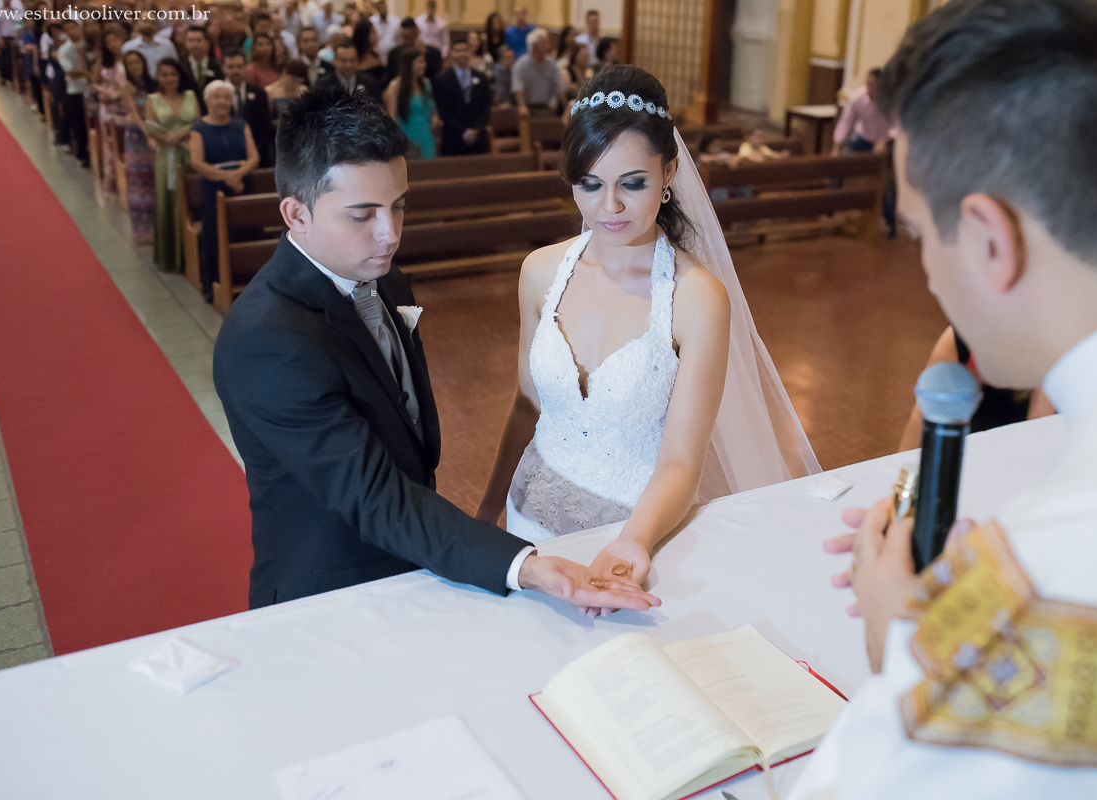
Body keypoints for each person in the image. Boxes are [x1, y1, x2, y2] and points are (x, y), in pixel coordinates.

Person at [794, 2, 1097, 799]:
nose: (927, 270)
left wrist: (906, 648)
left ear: (991, 240)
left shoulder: (1052, 578)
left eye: (920, 233)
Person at [211, 88, 661, 615]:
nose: (390, 233)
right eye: (363, 215)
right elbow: (375, 495)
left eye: (398, 205)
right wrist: (526, 565)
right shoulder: (266, 341)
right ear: (296, 214)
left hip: (420, 560)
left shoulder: (387, 283)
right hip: (331, 591)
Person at [478, 66, 819, 614]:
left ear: (668, 173)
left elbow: (683, 459)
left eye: (631, 183)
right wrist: (485, 518)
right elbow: (526, 405)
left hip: (635, 533)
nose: (608, 208)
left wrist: (632, 543)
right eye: (590, 184)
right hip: (528, 528)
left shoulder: (696, 297)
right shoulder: (540, 271)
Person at [897, 326, 1055, 452]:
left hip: (1011, 455)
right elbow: (922, 415)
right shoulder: (957, 337)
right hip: (958, 451)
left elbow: (1034, 433)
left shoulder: (1046, 353)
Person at [189, 80, 260, 303]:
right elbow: (197, 163)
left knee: (247, 233)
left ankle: (250, 282)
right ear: (207, 101)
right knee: (214, 235)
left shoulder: (241, 125)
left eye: (226, 98)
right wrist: (227, 177)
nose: (222, 102)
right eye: (217, 97)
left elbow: (254, 157)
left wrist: (238, 175)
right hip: (213, 187)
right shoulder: (199, 128)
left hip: (242, 186)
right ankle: (213, 283)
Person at [145, 57, 198, 272]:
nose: (169, 79)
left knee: (189, 200)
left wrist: (182, 135)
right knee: (167, 201)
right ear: (158, 77)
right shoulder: (153, 99)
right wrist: (167, 139)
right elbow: (150, 127)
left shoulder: (190, 96)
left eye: (173, 74)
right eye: (164, 75)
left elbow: (198, 123)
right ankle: (170, 256)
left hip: (188, 154)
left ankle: (190, 256)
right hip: (165, 156)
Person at [120, 50, 157, 244]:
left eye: (137, 62)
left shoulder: (152, 84)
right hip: (137, 135)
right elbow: (134, 113)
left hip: (153, 132)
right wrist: (147, 131)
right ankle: (141, 230)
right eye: (131, 64)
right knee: (139, 181)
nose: (135, 66)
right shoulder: (127, 87)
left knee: (153, 180)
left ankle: (156, 227)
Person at [434, 33, 491, 156]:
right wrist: (463, 132)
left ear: (469, 52)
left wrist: (476, 130)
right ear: (451, 53)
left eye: (465, 50)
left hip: (478, 138)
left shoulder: (482, 78)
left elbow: (486, 107)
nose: (462, 54)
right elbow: (444, 112)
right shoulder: (442, 79)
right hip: (453, 139)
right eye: (457, 51)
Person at [221, 48, 274, 167]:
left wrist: (254, 154)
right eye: (230, 67)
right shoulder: (215, 95)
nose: (235, 71)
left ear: (246, 67)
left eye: (239, 66)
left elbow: (265, 127)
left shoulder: (259, 94)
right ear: (223, 68)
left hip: (257, 157)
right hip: (224, 157)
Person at [95, 24, 129, 195]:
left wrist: (115, 95)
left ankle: (128, 182)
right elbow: (95, 81)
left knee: (126, 147)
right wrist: (102, 93)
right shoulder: (105, 61)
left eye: (115, 39)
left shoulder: (130, 59)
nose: (112, 44)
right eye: (108, 42)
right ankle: (114, 182)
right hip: (109, 109)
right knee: (112, 146)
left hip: (126, 107)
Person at [384, 48, 437, 159]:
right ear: (409, 64)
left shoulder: (426, 83)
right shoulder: (395, 85)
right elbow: (391, 117)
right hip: (406, 133)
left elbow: (431, 108)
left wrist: (435, 118)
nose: (424, 65)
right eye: (420, 62)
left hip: (426, 134)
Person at [831, 68, 893, 156]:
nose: (870, 89)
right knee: (846, 154)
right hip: (862, 139)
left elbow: (896, 125)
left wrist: (884, 140)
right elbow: (845, 122)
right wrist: (836, 146)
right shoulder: (857, 98)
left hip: (885, 141)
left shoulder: (890, 100)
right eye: (868, 84)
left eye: (874, 85)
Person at [57, 19, 90, 168]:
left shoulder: (87, 44)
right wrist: (88, 72)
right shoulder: (64, 50)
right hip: (75, 90)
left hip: (90, 89)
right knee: (79, 125)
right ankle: (82, 153)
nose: (72, 32)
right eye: (68, 29)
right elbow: (71, 72)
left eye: (74, 28)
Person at [513, 27, 564, 119]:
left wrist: (563, 107)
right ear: (534, 46)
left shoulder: (551, 64)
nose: (548, 47)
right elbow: (518, 88)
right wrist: (522, 106)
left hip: (546, 107)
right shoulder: (521, 65)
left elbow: (558, 87)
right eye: (544, 43)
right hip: (528, 108)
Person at [316, 40, 382, 102]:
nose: (348, 65)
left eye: (352, 60)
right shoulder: (323, 85)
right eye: (343, 61)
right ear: (335, 61)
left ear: (357, 61)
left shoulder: (371, 84)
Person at [385, 17, 441, 83]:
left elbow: (435, 79)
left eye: (408, 37)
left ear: (417, 33)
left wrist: (422, 55)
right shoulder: (393, 54)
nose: (403, 42)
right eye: (402, 37)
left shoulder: (433, 54)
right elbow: (390, 79)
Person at [181, 24, 221, 112]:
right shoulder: (180, 67)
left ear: (207, 43)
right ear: (186, 43)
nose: (194, 44)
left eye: (198, 40)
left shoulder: (217, 67)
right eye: (191, 40)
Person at [369, 0, 400, 64]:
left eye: (383, 6)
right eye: (380, 7)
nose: (382, 9)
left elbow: (398, 39)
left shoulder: (396, 21)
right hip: (377, 57)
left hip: (392, 57)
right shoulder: (372, 21)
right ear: (377, 8)